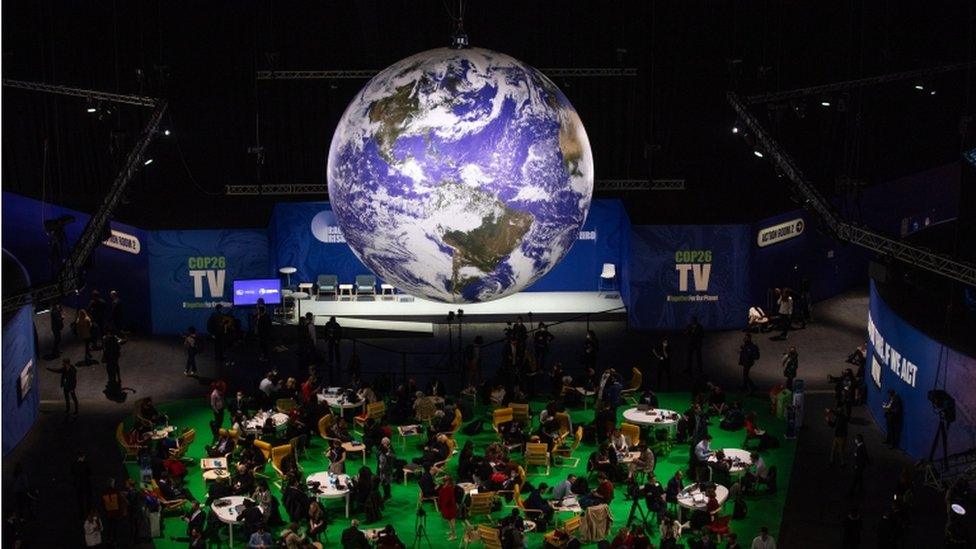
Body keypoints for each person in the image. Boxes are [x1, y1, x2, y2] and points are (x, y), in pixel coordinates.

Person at [436, 475, 460, 541]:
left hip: (449, 506)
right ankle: (451, 531)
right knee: (449, 520)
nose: (443, 477)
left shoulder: (448, 488)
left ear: (448, 480)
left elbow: (447, 498)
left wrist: (442, 505)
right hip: (447, 506)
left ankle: (454, 535)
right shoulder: (447, 486)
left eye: (445, 477)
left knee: (451, 520)